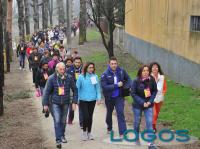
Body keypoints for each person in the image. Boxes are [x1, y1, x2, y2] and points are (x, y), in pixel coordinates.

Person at [43, 62, 78, 148]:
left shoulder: (69, 77)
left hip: (65, 102)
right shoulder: (51, 78)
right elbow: (46, 92)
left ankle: (62, 135)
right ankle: (58, 140)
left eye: (64, 69)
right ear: (57, 69)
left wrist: (74, 102)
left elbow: (75, 90)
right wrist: (45, 104)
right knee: (57, 120)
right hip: (55, 103)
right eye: (60, 69)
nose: (62, 71)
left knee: (63, 121)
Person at [101, 57, 132, 136]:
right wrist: (116, 85)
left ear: (117, 64)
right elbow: (104, 87)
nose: (114, 65)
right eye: (112, 64)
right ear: (109, 64)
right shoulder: (105, 74)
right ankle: (109, 127)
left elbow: (128, 79)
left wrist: (128, 86)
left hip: (119, 96)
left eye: (115, 63)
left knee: (120, 113)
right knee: (109, 113)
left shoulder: (121, 71)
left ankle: (123, 132)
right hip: (109, 97)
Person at [131, 65, 158, 149]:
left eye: (147, 70)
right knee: (137, 122)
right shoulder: (135, 81)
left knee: (149, 123)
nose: (146, 72)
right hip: (138, 105)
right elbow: (133, 93)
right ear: (140, 72)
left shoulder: (151, 79)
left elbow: (154, 91)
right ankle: (136, 136)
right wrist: (142, 102)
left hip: (149, 105)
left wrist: (150, 101)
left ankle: (151, 144)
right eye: (143, 71)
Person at [76, 62, 101, 141]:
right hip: (83, 100)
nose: (91, 69)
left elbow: (97, 88)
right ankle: (84, 132)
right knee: (86, 116)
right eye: (89, 67)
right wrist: (76, 99)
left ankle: (89, 133)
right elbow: (77, 88)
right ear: (86, 68)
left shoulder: (95, 77)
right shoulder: (81, 77)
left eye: (92, 67)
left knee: (90, 117)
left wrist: (98, 98)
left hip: (92, 100)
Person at [149, 62, 167, 133]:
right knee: (154, 113)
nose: (155, 68)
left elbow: (165, 87)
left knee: (157, 114)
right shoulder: (149, 77)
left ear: (158, 68)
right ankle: (152, 127)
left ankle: (153, 125)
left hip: (160, 98)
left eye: (156, 67)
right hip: (151, 98)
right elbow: (146, 88)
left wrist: (163, 93)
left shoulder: (162, 77)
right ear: (151, 68)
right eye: (153, 67)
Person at [67, 56, 83, 126]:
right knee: (72, 107)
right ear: (73, 62)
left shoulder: (83, 69)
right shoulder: (69, 69)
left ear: (81, 63)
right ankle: (70, 118)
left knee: (81, 107)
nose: (77, 64)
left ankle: (81, 122)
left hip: (81, 89)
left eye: (79, 62)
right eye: (76, 62)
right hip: (72, 90)